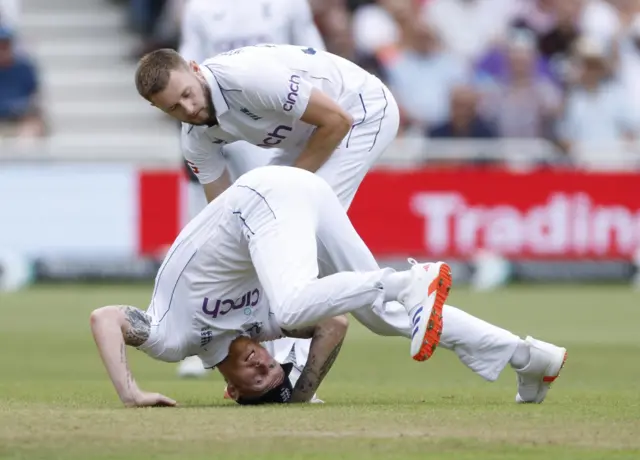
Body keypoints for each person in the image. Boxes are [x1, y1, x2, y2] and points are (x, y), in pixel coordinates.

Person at [90, 166, 567, 407]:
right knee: (382, 318)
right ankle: (528, 358)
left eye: (255, 378)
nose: (261, 362)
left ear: (230, 391)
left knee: (298, 303)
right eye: (269, 370)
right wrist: (298, 395)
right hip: (303, 191)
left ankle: (405, 279)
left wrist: (130, 393)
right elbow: (335, 322)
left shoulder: (176, 341)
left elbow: (105, 319)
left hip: (259, 199)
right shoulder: (262, 327)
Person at [134, 43, 400, 381]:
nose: (188, 108)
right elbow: (223, 217)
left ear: (195, 68)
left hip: (362, 110)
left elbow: (336, 120)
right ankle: (457, 323)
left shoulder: (247, 78)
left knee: (301, 239)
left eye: (187, 94)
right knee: (267, 243)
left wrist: (285, 193)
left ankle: (297, 368)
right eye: (174, 107)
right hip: (310, 136)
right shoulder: (194, 139)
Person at [175, 0, 326, 380]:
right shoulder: (200, 9)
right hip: (221, 124)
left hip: (275, 120)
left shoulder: (288, 5)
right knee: (216, 233)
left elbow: (314, 55)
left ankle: (288, 346)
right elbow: (186, 67)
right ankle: (210, 342)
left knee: (275, 234)